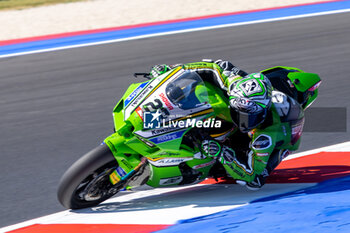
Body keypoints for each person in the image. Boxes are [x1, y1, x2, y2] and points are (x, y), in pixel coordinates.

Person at [149, 60, 321, 190]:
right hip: (254, 99)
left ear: (262, 111)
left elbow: (251, 173)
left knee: (257, 179)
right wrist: (172, 71)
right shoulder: (234, 84)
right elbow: (213, 66)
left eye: (249, 116)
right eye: (239, 113)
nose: (243, 120)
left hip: (280, 133)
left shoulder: (267, 134)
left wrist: (222, 153)